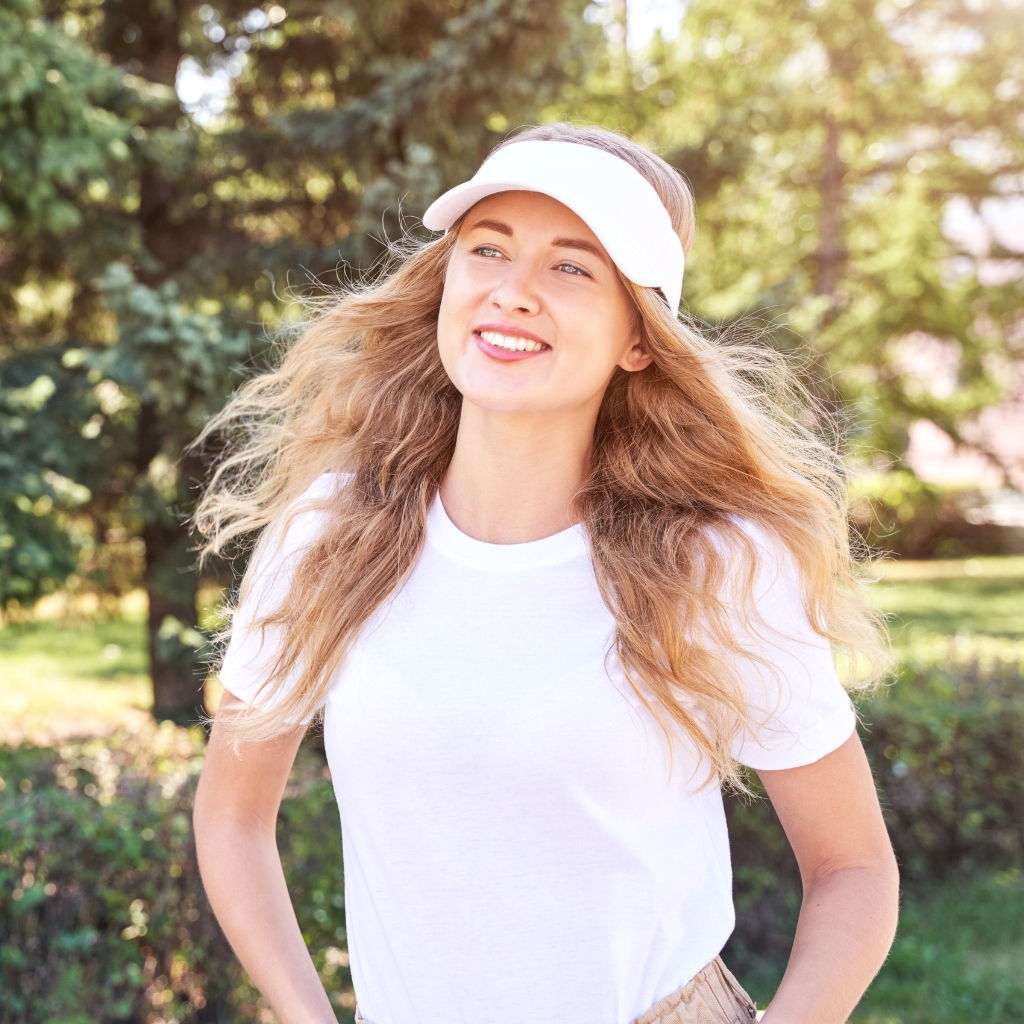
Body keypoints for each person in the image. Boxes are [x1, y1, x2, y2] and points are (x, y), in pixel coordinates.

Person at [191, 123, 899, 1024]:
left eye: (572, 267)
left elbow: (854, 870)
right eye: (488, 250)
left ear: (637, 339)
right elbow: (232, 817)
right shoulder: (329, 531)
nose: (513, 293)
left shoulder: (715, 562)